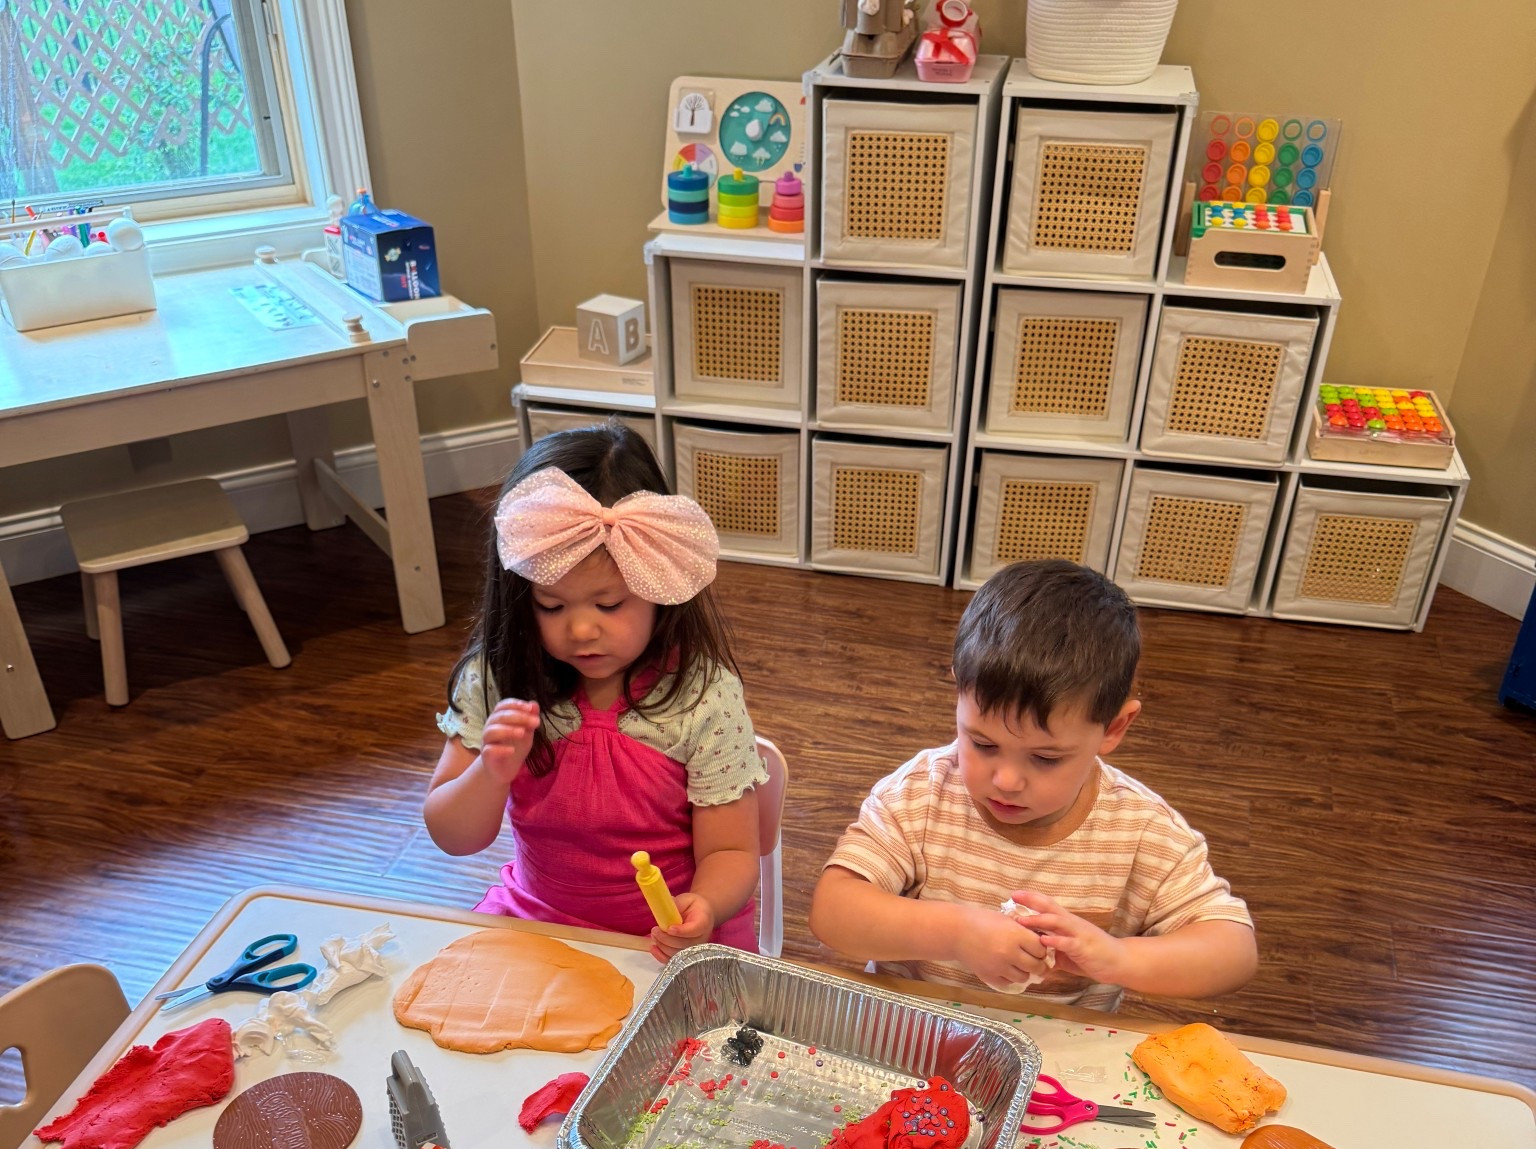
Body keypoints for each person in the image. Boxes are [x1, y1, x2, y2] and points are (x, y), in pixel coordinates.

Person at [809, 559, 1256, 1003]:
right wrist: (957, 934)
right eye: (982, 744)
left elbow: (1233, 952)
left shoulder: (1142, 831)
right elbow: (832, 913)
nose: (1004, 780)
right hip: (913, 1033)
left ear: (1114, 728)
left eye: (1045, 757)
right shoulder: (921, 795)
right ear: (959, 693)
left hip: (1059, 1056)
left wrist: (1118, 958)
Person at [425, 422, 764, 954]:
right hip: (539, 919)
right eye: (551, 605)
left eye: (609, 605)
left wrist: (706, 907)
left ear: (662, 585)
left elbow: (732, 852)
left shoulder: (702, 697)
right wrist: (490, 773)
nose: (581, 630)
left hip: (670, 938)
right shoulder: (496, 680)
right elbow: (453, 835)